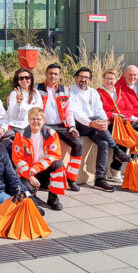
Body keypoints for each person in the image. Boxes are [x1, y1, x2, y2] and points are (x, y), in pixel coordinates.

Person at [69, 67, 131, 192]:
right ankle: (117, 150)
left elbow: (100, 110)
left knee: (103, 143)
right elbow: (75, 113)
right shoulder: (70, 91)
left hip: (94, 126)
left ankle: (100, 179)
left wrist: (105, 122)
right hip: (80, 125)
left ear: (90, 80)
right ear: (76, 78)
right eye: (81, 76)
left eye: (86, 77)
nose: (83, 79)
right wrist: (91, 122)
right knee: (97, 119)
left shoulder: (93, 92)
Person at [36, 63, 84, 192]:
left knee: (78, 143)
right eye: (50, 73)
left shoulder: (65, 90)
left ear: (60, 76)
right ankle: (44, 180)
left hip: (61, 125)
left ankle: (71, 178)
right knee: (45, 148)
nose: (53, 76)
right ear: (46, 74)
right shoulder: (36, 89)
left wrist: (72, 126)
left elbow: (69, 111)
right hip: (44, 125)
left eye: (56, 74)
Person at [11, 107, 66, 211]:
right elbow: (18, 159)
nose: (35, 122)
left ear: (44, 121)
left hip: (43, 170)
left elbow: (55, 154)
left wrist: (36, 168)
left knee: (59, 165)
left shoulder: (51, 133)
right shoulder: (20, 135)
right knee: (27, 190)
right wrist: (29, 175)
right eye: (32, 119)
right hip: (28, 172)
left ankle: (53, 198)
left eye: (38, 119)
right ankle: (33, 196)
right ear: (28, 120)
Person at [97, 69, 135, 183]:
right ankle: (115, 169)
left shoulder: (120, 92)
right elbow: (97, 111)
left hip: (121, 123)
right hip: (107, 122)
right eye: (107, 78)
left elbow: (129, 109)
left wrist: (123, 116)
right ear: (103, 79)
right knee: (122, 137)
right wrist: (111, 115)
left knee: (130, 136)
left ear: (116, 79)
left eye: (112, 79)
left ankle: (127, 167)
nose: (109, 81)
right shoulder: (98, 92)